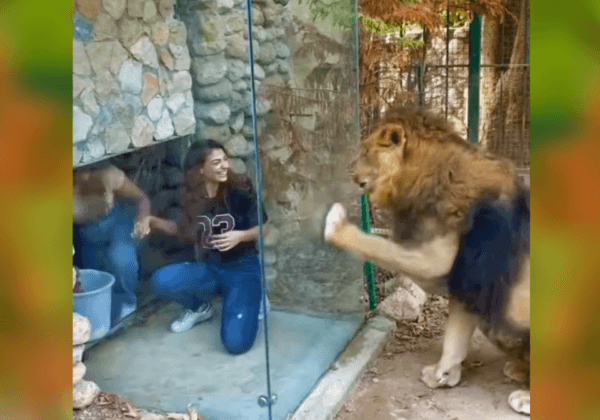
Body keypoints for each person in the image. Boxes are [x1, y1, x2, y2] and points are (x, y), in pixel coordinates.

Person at [142, 139, 268, 355]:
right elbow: (181, 229)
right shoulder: (191, 196)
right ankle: (200, 308)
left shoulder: (240, 189)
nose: (225, 166)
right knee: (162, 281)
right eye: (217, 162)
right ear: (201, 169)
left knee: (236, 344)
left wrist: (241, 236)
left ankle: (253, 295)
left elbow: (264, 228)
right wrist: (152, 221)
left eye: (225, 160)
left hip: (242, 269)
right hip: (210, 268)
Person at [73, 161, 151, 327]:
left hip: (119, 221)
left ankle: (128, 305)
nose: (85, 175)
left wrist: (143, 220)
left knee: (120, 257)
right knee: (92, 272)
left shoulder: (108, 173)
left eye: (88, 171)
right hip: (87, 232)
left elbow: (142, 198)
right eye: (79, 173)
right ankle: (103, 312)